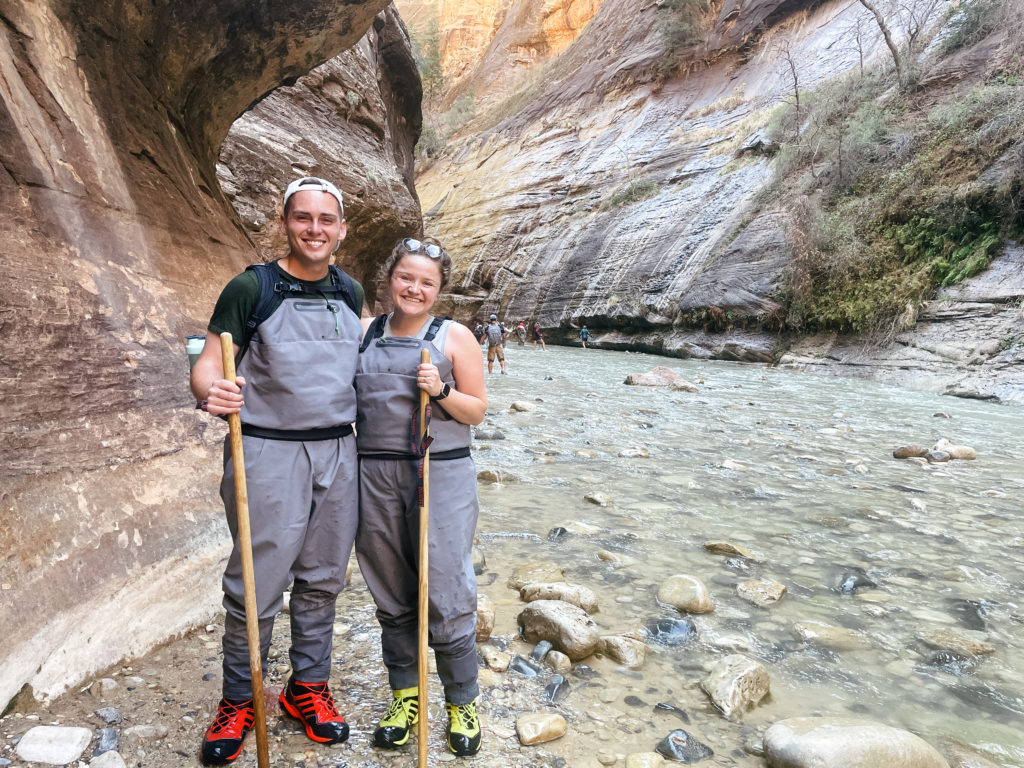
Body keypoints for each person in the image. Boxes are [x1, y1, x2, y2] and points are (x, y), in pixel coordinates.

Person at [190, 176, 362, 764]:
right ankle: (240, 697)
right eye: (303, 218)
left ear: (341, 228)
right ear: (284, 222)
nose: (315, 229)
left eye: (326, 219)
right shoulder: (250, 288)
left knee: (322, 578)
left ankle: (306, 688)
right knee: (257, 585)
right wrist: (213, 392)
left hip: (339, 452)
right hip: (266, 451)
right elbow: (210, 362)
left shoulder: (352, 292)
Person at [354, 237, 487, 757]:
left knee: (447, 586)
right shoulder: (365, 333)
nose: (415, 288)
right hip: (373, 473)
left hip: (441, 473)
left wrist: (443, 392)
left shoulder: (456, 337)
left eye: (426, 282)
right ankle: (405, 698)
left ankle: (460, 701)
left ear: (438, 290)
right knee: (390, 587)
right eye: (406, 277)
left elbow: (476, 411)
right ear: (390, 279)